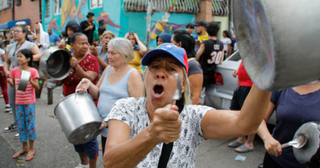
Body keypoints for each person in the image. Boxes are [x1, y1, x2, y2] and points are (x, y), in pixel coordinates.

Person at [102, 43, 271, 167]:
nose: (160, 73)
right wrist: (151, 134)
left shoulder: (192, 117)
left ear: (182, 85)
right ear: (145, 77)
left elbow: (246, 123)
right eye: (154, 67)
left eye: (171, 69)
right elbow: (110, 163)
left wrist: (267, 74)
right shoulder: (126, 108)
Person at [76, 37, 144, 155]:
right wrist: (89, 84)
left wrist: (110, 121)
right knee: (107, 161)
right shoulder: (108, 69)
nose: (108, 56)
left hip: (121, 133)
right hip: (104, 129)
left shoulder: (133, 75)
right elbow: (97, 93)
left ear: (125, 55)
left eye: (113, 53)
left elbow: (138, 109)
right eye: (108, 52)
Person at [55, 33, 99, 168]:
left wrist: (76, 67)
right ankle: (83, 163)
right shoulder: (67, 59)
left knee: (90, 138)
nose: (85, 46)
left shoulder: (92, 60)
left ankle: (92, 166)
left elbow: (90, 79)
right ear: (72, 45)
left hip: (87, 104)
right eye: (81, 43)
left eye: (86, 43)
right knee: (75, 135)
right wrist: (62, 66)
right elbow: (58, 82)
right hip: (69, 104)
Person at [257, 82, 320, 168]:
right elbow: (259, 119)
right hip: (277, 159)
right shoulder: (282, 86)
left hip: (312, 163)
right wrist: (267, 138)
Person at [3, 26, 41, 139]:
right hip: (13, 74)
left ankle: (25, 128)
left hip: (24, 75)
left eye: (17, 31)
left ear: (24, 33)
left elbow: (39, 55)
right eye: (13, 31)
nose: (15, 33)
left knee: (24, 99)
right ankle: (16, 123)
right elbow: (6, 61)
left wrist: (26, 60)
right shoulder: (10, 46)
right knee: (14, 100)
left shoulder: (30, 45)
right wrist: (7, 72)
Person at [8, 49, 39, 161]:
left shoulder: (33, 71)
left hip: (29, 103)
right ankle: (24, 147)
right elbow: (12, 84)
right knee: (21, 125)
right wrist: (10, 81)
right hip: (18, 102)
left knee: (30, 125)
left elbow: (37, 87)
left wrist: (30, 80)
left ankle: (31, 148)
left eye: (21, 56)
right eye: (18, 56)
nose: (19, 58)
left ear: (28, 59)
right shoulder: (14, 70)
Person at [227, 61, 255, 153]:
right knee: (238, 112)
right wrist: (238, 70)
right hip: (241, 85)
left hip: (251, 86)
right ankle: (241, 138)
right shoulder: (248, 50)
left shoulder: (260, 50)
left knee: (250, 115)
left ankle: (249, 143)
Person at [171, 30, 203, 105]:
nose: (170, 45)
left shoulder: (193, 65)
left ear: (179, 44)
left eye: (172, 42)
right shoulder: (178, 62)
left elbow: (195, 96)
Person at [195, 22, 224, 88]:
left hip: (203, 72)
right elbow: (220, 61)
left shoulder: (205, 44)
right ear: (217, 32)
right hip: (213, 73)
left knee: (200, 93)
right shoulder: (221, 44)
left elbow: (196, 57)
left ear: (207, 32)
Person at [0, 46, 10, 112]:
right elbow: (5, 60)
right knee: (4, 86)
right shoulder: (1, 50)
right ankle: (7, 104)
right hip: (1, 68)